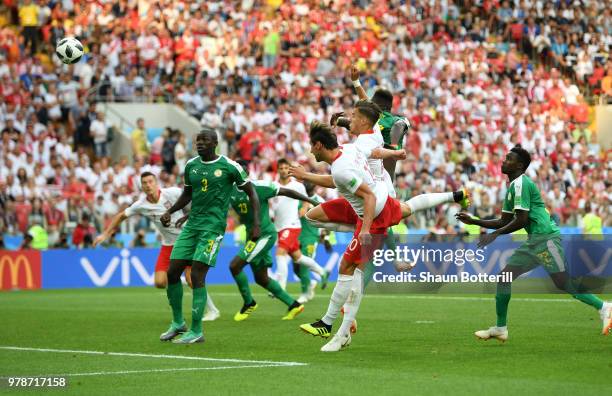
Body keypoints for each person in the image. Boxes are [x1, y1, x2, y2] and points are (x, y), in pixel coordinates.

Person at [290, 106, 468, 352]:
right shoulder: (349, 150)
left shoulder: (344, 164)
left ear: (319, 146)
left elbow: (366, 196)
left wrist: (364, 230)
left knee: (349, 268)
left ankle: (328, 324)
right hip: (371, 203)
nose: (310, 150)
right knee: (312, 216)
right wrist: (307, 176)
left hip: (372, 213)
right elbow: (342, 177)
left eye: (312, 146)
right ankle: (454, 195)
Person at [456, 145, 612, 341]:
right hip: (535, 241)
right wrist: (475, 221)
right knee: (504, 277)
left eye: (509, 159)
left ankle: (604, 307)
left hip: (546, 238)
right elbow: (505, 220)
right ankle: (501, 328)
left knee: (563, 282)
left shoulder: (521, 184)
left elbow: (520, 220)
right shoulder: (513, 187)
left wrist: (494, 235)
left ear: (519, 165)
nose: (504, 161)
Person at [158, 127, 261, 344]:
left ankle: (196, 330)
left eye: (205, 140)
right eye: (198, 140)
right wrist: (170, 211)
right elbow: (188, 194)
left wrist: (256, 223)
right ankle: (178, 323)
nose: (200, 143)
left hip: (212, 228)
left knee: (196, 275)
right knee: (173, 271)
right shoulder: (191, 166)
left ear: (215, 143)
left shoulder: (229, 166)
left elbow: (252, 192)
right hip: (192, 226)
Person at [93, 171, 221, 321]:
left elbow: (193, 197)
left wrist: (192, 216)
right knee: (160, 282)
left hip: (187, 241)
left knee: (192, 279)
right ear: (141, 187)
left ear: (156, 183)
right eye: (144, 183)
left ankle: (212, 311)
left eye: (150, 182)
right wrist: (105, 234)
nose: (148, 185)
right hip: (168, 245)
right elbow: (121, 215)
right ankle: (178, 283)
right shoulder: (141, 205)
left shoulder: (172, 193)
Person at [229, 171, 318, 322]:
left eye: (243, 171)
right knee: (261, 278)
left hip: (265, 235)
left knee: (235, 266)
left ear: (247, 173)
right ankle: (293, 305)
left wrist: (310, 201)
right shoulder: (229, 190)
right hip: (251, 238)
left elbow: (288, 191)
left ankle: (249, 302)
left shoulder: (260, 186)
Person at [272, 158, 328, 291]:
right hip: (279, 226)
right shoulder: (273, 185)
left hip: (292, 225)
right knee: (298, 258)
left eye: (287, 168)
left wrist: (304, 207)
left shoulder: (297, 186)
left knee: (280, 253)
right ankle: (322, 272)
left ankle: (280, 288)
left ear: (289, 170)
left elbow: (306, 200)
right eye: (281, 168)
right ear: (278, 170)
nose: (284, 171)